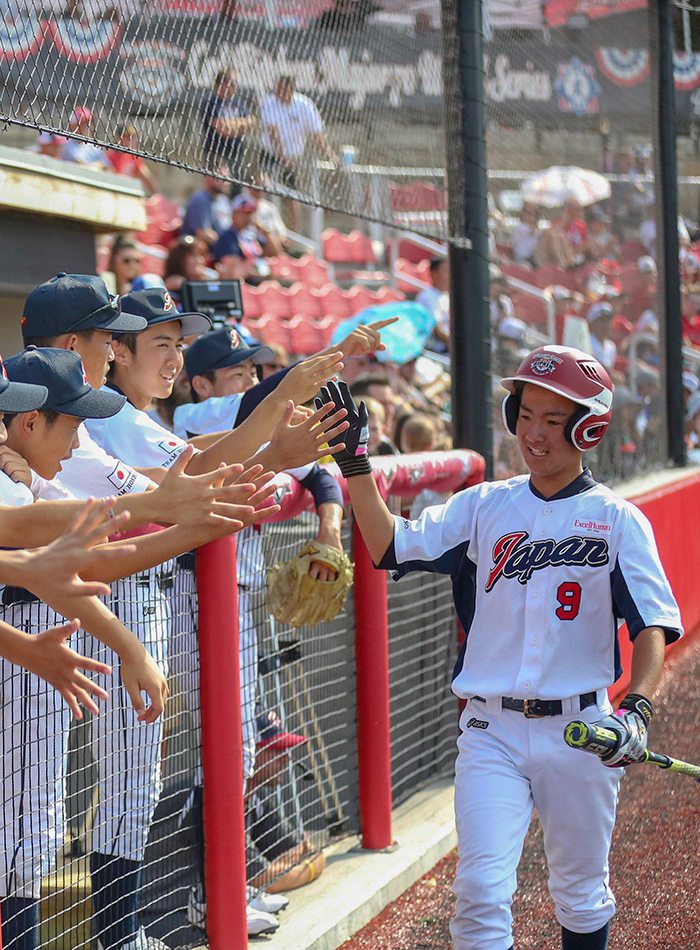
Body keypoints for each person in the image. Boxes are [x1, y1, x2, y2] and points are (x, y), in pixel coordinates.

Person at [319, 345, 682, 950]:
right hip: (491, 730)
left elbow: (652, 626)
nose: (532, 433)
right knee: (481, 893)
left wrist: (637, 711)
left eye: (552, 420)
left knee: (581, 893)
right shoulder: (485, 506)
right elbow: (390, 547)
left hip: (582, 729)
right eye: (525, 413)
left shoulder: (617, 520)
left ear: (588, 427)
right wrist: (356, 466)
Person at [259, 75, 337, 231]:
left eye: (282, 89)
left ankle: (292, 235)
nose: (278, 92)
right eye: (277, 88)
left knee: (290, 197)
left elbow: (317, 135)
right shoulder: (269, 102)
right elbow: (273, 134)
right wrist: (282, 157)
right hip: (270, 156)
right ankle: (266, 232)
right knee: (263, 193)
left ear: (291, 89)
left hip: (292, 160)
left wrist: (330, 156)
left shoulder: (304, 105)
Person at [211, 194, 285, 282]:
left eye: (250, 213)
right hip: (246, 283)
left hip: (259, 279)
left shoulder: (250, 236)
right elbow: (233, 272)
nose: (247, 217)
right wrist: (263, 275)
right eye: (243, 213)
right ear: (234, 213)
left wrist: (265, 232)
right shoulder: (227, 237)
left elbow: (275, 253)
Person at [201, 67, 256, 181]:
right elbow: (223, 130)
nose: (235, 85)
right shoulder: (210, 103)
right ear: (221, 84)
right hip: (217, 152)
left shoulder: (237, 102)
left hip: (236, 152)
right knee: (220, 186)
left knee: (237, 186)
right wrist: (240, 125)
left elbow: (252, 122)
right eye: (231, 82)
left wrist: (231, 125)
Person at [180, 169, 233, 250]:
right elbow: (202, 233)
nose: (225, 183)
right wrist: (226, 245)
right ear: (208, 178)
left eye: (227, 179)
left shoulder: (224, 201)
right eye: (221, 178)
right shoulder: (200, 200)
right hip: (201, 251)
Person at [105, 124, 157, 195]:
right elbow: (111, 176)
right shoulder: (111, 154)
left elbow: (146, 175)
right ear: (118, 138)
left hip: (127, 190)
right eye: (126, 137)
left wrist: (156, 194)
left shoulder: (132, 155)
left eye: (132, 137)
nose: (130, 140)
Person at [415, 258, 450, 353]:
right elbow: (437, 331)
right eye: (446, 271)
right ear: (434, 273)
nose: (450, 275)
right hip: (437, 351)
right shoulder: (427, 296)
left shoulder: (448, 295)